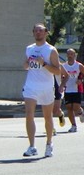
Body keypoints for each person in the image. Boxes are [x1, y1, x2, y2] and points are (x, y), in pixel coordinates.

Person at [22, 23, 62, 157]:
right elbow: (26, 65)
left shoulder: (51, 50)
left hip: (46, 87)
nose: (38, 33)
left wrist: (43, 63)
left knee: (47, 117)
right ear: (33, 33)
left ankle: (49, 143)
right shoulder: (29, 49)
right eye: (36, 31)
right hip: (31, 86)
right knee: (29, 114)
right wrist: (26, 64)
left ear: (46, 33)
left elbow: (57, 70)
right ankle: (32, 146)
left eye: (41, 31)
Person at [60, 48, 84, 132]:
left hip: (77, 89)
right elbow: (61, 76)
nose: (70, 56)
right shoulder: (64, 66)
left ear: (74, 55)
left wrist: (81, 80)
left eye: (71, 54)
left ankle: (81, 112)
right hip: (67, 89)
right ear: (66, 55)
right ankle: (73, 125)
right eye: (68, 54)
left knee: (76, 107)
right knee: (69, 107)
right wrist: (61, 85)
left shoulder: (79, 66)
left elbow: (83, 74)